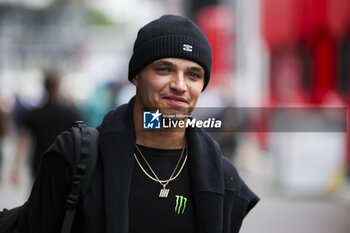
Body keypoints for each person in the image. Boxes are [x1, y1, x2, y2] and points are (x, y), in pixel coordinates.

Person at [15, 15, 259, 233]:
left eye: (194, 74)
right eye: (164, 69)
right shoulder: (76, 155)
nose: (180, 84)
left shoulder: (225, 180)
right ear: (136, 76)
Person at [11, 69, 81, 183]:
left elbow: (23, 141)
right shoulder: (70, 114)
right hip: (63, 164)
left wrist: (16, 167)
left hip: (39, 164)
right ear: (58, 87)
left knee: (39, 198)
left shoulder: (34, 114)